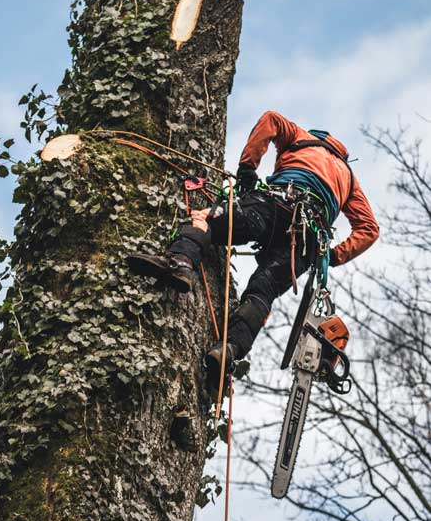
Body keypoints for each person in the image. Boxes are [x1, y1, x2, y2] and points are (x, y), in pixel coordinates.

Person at [127, 111, 379, 392]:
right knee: (262, 292)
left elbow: (270, 119)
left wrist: (248, 169)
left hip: (275, 205)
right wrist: (333, 256)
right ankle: (230, 348)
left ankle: (181, 262)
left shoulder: (300, 136)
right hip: (307, 241)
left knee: (204, 219)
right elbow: (369, 229)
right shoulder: (348, 177)